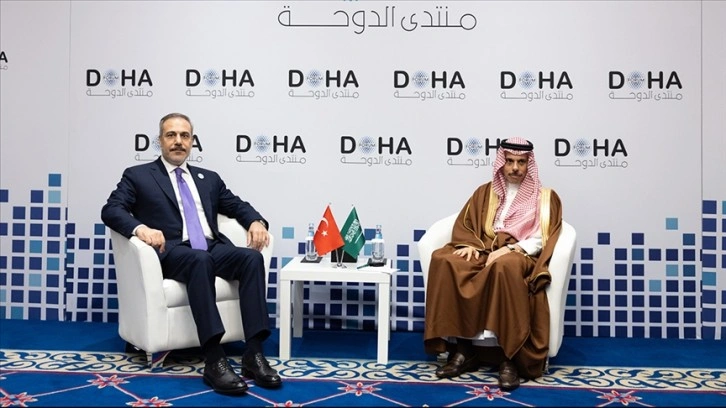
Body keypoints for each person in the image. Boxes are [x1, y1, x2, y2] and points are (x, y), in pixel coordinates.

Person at [101, 113, 281, 395]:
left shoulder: (208, 179)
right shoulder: (138, 176)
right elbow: (111, 209)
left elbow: (236, 205)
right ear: (160, 140)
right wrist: (140, 229)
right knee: (200, 259)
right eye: (171, 135)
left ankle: (254, 353)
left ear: (192, 141)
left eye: (184, 136)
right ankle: (214, 359)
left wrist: (256, 221)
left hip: (210, 246)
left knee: (251, 258)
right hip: (172, 250)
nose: (178, 141)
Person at [423, 137, 563, 391]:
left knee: (504, 267)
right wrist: (469, 244)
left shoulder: (545, 198)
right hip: (485, 249)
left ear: (529, 164)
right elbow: (467, 225)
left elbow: (543, 237)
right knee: (444, 260)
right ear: (502, 163)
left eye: (521, 162)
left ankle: (509, 358)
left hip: (520, 254)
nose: (515, 168)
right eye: (509, 161)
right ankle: (463, 350)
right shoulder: (485, 192)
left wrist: (510, 249)